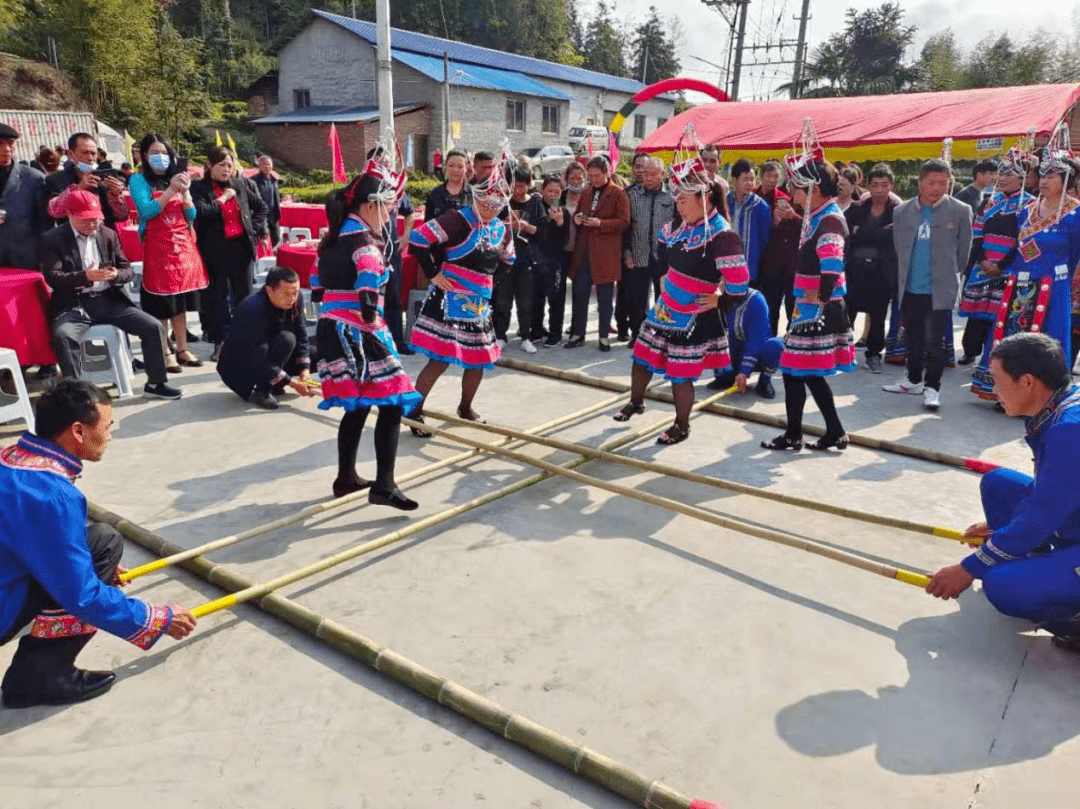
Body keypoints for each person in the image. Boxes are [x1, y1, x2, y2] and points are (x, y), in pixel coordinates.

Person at [0, 380, 196, 708]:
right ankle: (40, 678)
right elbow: (82, 595)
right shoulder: (52, 495)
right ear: (78, 431)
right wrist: (154, 618)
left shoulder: (10, 459)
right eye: (107, 427)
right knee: (100, 551)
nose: (110, 436)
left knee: (101, 543)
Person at [926, 333, 1080, 650]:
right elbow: (1050, 494)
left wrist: (969, 568)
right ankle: (1035, 561)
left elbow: (1039, 516)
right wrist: (1004, 533)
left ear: (1027, 382)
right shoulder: (1056, 409)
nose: (993, 390)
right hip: (1071, 520)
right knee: (998, 484)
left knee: (1000, 585)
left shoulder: (1069, 430)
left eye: (997, 380)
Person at [613, 132, 750, 445]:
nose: (678, 205)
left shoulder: (721, 234)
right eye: (676, 200)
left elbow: (740, 282)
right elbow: (662, 250)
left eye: (684, 201)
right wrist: (663, 277)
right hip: (666, 305)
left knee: (681, 372)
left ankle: (681, 425)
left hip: (694, 311)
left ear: (706, 199)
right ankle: (636, 401)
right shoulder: (678, 225)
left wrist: (720, 299)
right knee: (641, 355)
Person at [313, 162, 422, 507]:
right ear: (369, 204)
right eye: (389, 206)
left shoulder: (333, 237)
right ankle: (384, 484)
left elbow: (317, 283)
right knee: (391, 402)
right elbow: (367, 285)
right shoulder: (365, 243)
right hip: (357, 328)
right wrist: (371, 314)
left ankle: (346, 477)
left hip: (332, 324)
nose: (391, 214)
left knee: (359, 405)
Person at [762, 129, 857, 452]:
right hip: (810, 305)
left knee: (794, 370)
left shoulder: (829, 220)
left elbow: (832, 264)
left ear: (814, 189)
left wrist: (821, 296)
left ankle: (793, 435)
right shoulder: (816, 214)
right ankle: (835, 431)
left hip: (816, 308)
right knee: (809, 373)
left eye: (798, 189)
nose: (793, 195)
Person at [408, 146, 514, 434]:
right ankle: (414, 411)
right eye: (486, 203)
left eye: (497, 205)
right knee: (440, 359)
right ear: (477, 197)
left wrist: (487, 284)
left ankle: (465, 407)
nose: (491, 209)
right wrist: (433, 274)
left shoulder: (501, 228)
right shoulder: (458, 218)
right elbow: (417, 239)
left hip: (478, 303)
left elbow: (508, 259)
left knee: (478, 358)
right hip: (449, 298)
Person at [39, 189, 181, 400]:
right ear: (69, 215)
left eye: (95, 220)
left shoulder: (107, 234)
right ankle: (77, 396)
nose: (92, 226)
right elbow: (53, 277)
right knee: (63, 336)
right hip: (74, 304)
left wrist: (115, 275)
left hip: (107, 299)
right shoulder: (53, 239)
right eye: (85, 221)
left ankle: (156, 382)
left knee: (153, 326)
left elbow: (127, 268)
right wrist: (85, 276)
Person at [970, 138, 1080, 401]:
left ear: (1066, 178)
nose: (1043, 180)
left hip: (1054, 285)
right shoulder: (1027, 210)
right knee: (1013, 336)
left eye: (1051, 175)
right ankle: (1007, 392)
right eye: (1041, 174)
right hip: (1020, 282)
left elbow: (1076, 253)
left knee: (1048, 338)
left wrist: (1062, 276)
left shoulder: (1075, 214)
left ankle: (1041, 396)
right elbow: (1021, 245)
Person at [884, 158, 973, 410]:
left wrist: (953, 275)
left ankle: (932, 387)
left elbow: (964, 251)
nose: (937, 188)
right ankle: (913, 379)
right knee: (912, 337)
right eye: (932, 183)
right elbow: (898, 248)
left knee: (935, 342)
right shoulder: (902, 211)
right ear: (920, 182)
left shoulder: (959, 210)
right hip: (910, 285)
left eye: (943, 184)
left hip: (940, 287)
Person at [128, 133, 207, 372]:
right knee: (162, 302)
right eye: (153, 153)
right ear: (143, 156)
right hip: (158, 248)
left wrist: (187, 197)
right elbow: (147, 210)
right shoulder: (139, 181)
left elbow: (191, 217)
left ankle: (182, 348)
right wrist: (171, 191)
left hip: (183, 248)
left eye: (164, 152)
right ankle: (165, 351)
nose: (160, 157)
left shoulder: (178, 179)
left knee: (180, 302)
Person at [959, 148, 1032, 381]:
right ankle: (970, 351)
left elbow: (1025, 239)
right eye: (1000, 173)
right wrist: (982, 260)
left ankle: (993, 357)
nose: (1001, 178)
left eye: (1008, 174)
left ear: (1021, 177)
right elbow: (977, 233)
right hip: (983, 262)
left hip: (1008, 266)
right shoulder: (990, 200)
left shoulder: (1029, 204)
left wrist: (1001, 265)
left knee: (1000, 312)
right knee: (978, 310)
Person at [192, 146, 268, 357]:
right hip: (214, 249)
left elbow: (261, 207)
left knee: (244, 294)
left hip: (240, 247)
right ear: (209, 165)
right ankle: (220, 340)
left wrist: (252, 228)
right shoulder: (198, 188)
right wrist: (224, 198)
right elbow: (201, 213)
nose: (226, 169)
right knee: (217, 297)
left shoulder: (240, 183)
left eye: (229, 165)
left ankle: (245, 336)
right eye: (221, 165)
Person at [217, 267, 314, 409]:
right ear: (269, 290)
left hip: (272, 349)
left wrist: (305, 370)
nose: (292, 298)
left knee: (317, 354)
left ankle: (276, 381)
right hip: (243, 364)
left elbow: (301, 332)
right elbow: (259, 356)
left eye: (295, 292)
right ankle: (262, 391)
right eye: (286, 294)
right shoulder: (252, 309)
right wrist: (291, 382)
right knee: (287, 340)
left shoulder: (295, 299)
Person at [566, 155, 630, 351]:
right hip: (584, 250)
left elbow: (624, 222)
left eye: (596, 175)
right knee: (580, 293)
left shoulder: (618, 193)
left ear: (606, 172)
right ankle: (578, 333)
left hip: (605, 251)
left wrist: (601, 223)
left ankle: (603, 336)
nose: (593, 179)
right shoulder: (586, 193)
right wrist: (579, 219)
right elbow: (579, 212)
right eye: (590, 175)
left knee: (604, 296)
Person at [845, 163, 900, 374]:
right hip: (856, 269)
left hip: (883, 271)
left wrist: (864, 232)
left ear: (891, 186)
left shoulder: (897, 209)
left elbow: (894, 238)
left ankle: (874, 354)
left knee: (878, 315)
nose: (879, 190)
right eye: (875, 185)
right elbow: (848, 232)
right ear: (868, 186)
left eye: (884, 185)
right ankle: (843, 352)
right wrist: (881, 232)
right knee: (847, 311)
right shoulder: (858, 207)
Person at [622, 156, 675, 345]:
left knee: (663, 298)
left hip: (664, 256)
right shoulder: (631, 194)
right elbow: (625, 226)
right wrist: (626, 250)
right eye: (645, 174)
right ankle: (638, 334)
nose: (648, 178)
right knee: (636, 298)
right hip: (638, 253)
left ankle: (661, 335)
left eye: (653, 174)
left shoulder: (672, 195)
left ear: (663, 174)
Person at [367, 146, 415, 355]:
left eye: (387, 163)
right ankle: (371, 342)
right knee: (369, 296)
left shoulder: (395, 189)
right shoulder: (363, 188)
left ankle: (397, 341)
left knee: (394, 297)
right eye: (380, 163)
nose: (385, 166)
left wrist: (405, 236)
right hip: (368, 251)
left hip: (392, 251)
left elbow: (410, 214)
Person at [708, 286, 780, 398]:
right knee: (714, 340)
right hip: (733, 349)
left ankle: (764, 382)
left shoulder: (756, 300)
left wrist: (744, 372)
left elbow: (755, 340)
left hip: (756, 351)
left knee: (776, 347)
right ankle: (726, 377)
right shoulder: (719, 297)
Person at [45, 132, 128, 229]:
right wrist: (78, 189)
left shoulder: (104, 178)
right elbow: (54, 212)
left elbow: (122, 216)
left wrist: (116, 196)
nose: (90, 158)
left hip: (103, 238)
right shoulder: (56, 180)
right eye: (85, 153)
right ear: (71, 154)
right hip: (72, 239)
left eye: (93, 153)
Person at [756, 161, 801, 336]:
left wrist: (791, 216)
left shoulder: (787, 199)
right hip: (766, 263)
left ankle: (792, 343)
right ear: (762, 177)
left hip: (789, 264)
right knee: (769, 307)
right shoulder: (753, 196)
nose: (773, 180)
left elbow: (805, 228)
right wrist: (773, 223)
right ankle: (768, 342)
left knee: (792, 307)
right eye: (769, 176)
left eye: (776, 176)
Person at [504, 165, 544, 351]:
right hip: (504, 259)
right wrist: (505, 226)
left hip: (527, 258)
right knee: (503, 300)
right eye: (513, 185)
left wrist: (527, 226)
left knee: (526, 301)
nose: (517, 190)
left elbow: (543, 231)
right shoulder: (503, 203)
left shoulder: (535, 203)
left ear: (529, 184)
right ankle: (500, 335)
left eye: (521, 186)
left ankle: (526, 336)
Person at [528, 176, 569, 349]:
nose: (553, 195)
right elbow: (534, 233)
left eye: (557, 192)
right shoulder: (536, 207)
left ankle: (555, 333)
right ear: (542, 190)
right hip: (536, 259)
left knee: (556, 299)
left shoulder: (563, 211)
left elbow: (564, 238)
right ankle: (537, 329)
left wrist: (559, 222)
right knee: (536, 298)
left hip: (556, 261)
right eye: (549, 191)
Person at [0, 122, 47, 270]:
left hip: (24, 260)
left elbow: (45, 224)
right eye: (0, 144)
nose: (7, 149)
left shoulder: (34, 178)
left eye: (10, 143)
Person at [554, 161, 588, 345]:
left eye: (579, 178)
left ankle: (578, 331)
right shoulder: (560, 196)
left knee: (580, 291)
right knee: (558, 292)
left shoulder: (589, 197)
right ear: (566, 179)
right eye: (572, 178)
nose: (576, 181)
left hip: (581, 252)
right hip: (561, 251)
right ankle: (556, 330)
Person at [726, 159, 772, 286]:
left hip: (749, 266)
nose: (750, 183)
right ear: (735, 181)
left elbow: (764, 239)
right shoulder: (726, 201)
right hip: (725, 264)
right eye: (745, 179)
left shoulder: (760, 206)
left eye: (752, 179)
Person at [424, 148, 471, 220]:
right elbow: (428, 225)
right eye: (451, 165)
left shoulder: (474, 194)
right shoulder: (435, 194)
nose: (455, 170)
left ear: (466, 168)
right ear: (445, 167)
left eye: (460, 166)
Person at [252, 155, 282, 248]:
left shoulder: (274, 180)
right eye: (264, 164)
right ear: (259, 166)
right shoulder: (254, 181)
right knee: (262, 241)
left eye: (269, 164)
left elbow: (275, 197)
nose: (267, 166)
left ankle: (270, 255)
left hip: (273, 215)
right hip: (260, 215)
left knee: (276, 238)